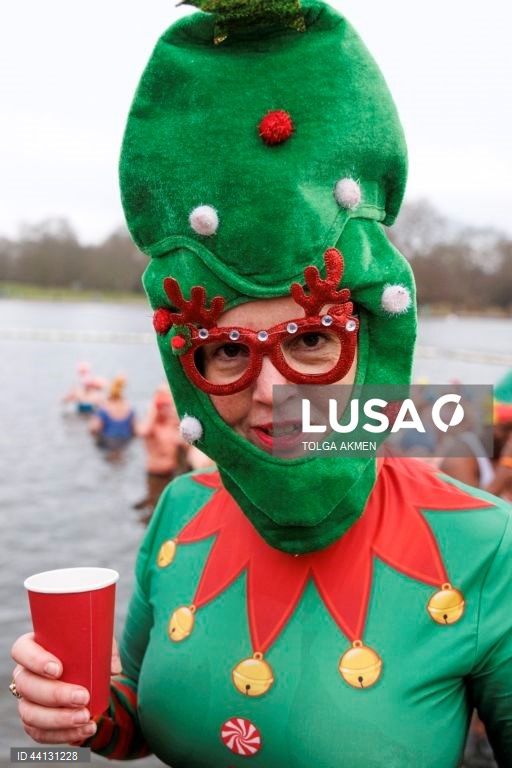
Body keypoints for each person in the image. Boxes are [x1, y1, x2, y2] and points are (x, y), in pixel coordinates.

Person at [10, 2, 512, 766]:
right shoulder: (180, 509)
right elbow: (139, 719)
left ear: (374, 338)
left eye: (311, 341)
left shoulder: (487, 544)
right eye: (225, 352)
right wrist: (78, 711)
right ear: (190, 370)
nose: (273, 395)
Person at [133, 386, 189, 523]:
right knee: (155, 508)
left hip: (171, 474)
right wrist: (154, 406)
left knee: (168, 505)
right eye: (162, 406)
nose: (166, 410)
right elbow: (142, 432)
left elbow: (187, 442)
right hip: (155, 476)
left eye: (168, 406)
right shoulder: (153, 427)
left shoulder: (173, 425)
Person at [88, 375, 135, 454]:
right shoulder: (129, 408)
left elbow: (93, 429)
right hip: (124, 441)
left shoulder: (104, 408)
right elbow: (135, 429)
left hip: (108, 441)